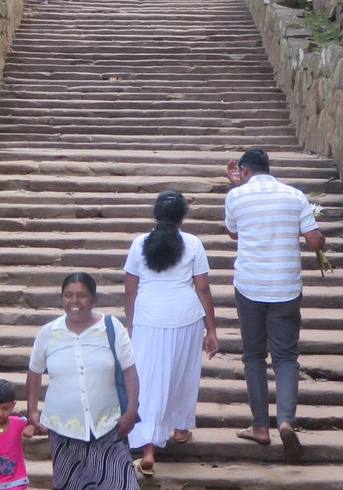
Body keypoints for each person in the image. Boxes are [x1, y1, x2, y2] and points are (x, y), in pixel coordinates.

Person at [224, 147, 328, 461]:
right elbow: (313, 241)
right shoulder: (294, 196)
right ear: (269, 169)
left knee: (253, 355)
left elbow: (232, 232)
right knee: (285, 358)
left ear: (244, 171)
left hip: (250, 287)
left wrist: (236, 188)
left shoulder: (236, 196)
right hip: (285, 288)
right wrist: (322, 243)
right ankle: (285, 421)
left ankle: (259, 427)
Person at [124, 191, 219, 476]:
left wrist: (130, 324)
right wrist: (211, 329)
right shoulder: (193, 243)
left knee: (147, 379)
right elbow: (202, 288)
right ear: (182, 216)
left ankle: (148, 448)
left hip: (148, 317)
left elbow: (130, 290)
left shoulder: (139, 243)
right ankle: (179, 429)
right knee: (182, 373)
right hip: (186, 317)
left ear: (156, 214)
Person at [26, 273, 139, 490]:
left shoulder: (111, 327)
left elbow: (130, 371)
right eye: (68, 295)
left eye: (81, 296)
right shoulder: (48, 333)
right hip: (63, 430)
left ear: (93, 300)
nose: (74, 302)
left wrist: (131, 411)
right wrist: (32, 410)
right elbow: (34, 371)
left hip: (107, 426)